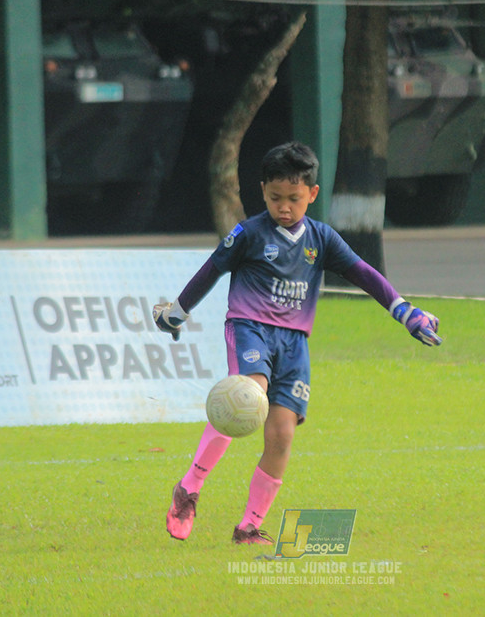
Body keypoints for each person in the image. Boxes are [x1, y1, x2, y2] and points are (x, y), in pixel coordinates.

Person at [153, 141, 443, 544]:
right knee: (246, 396)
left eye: (293, 198)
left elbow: (364, 274)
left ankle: (249, 526)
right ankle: (189, 488)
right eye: (275, 198)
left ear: (313, 194)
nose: (284, 207)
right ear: (263, 192)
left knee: (282, 434)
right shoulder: (250, 233)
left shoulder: (322, 239)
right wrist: (176, 313)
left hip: (294, 345)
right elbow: (211, 270)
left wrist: (405, 311)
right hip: (250, 327)